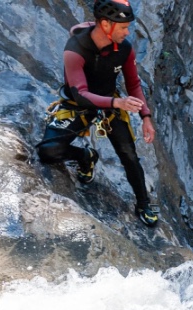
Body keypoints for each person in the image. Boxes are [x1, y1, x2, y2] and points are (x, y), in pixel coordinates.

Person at [37, 0, 158, 227]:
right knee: (48, 151)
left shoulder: (123, 48)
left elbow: (133, 84)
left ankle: (144, 203)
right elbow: (81, 94)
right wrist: (117, 102)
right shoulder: (76, 49)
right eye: (122, 27)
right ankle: (85, 157)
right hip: (80, 104)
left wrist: (146, 117)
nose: (127, 32)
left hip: (109, 104)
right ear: (105, 24)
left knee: (129, 155)